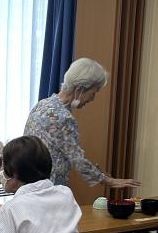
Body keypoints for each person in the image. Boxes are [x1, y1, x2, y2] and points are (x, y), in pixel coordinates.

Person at [24, 57, 141, 189]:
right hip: (47, 189)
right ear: (80, 89)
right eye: (93, 93)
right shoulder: (62, 117)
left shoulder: (42, 104)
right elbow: (77, 158)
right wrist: (109, 181)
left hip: (28, 184)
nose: (92, 99)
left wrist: (101, 174)